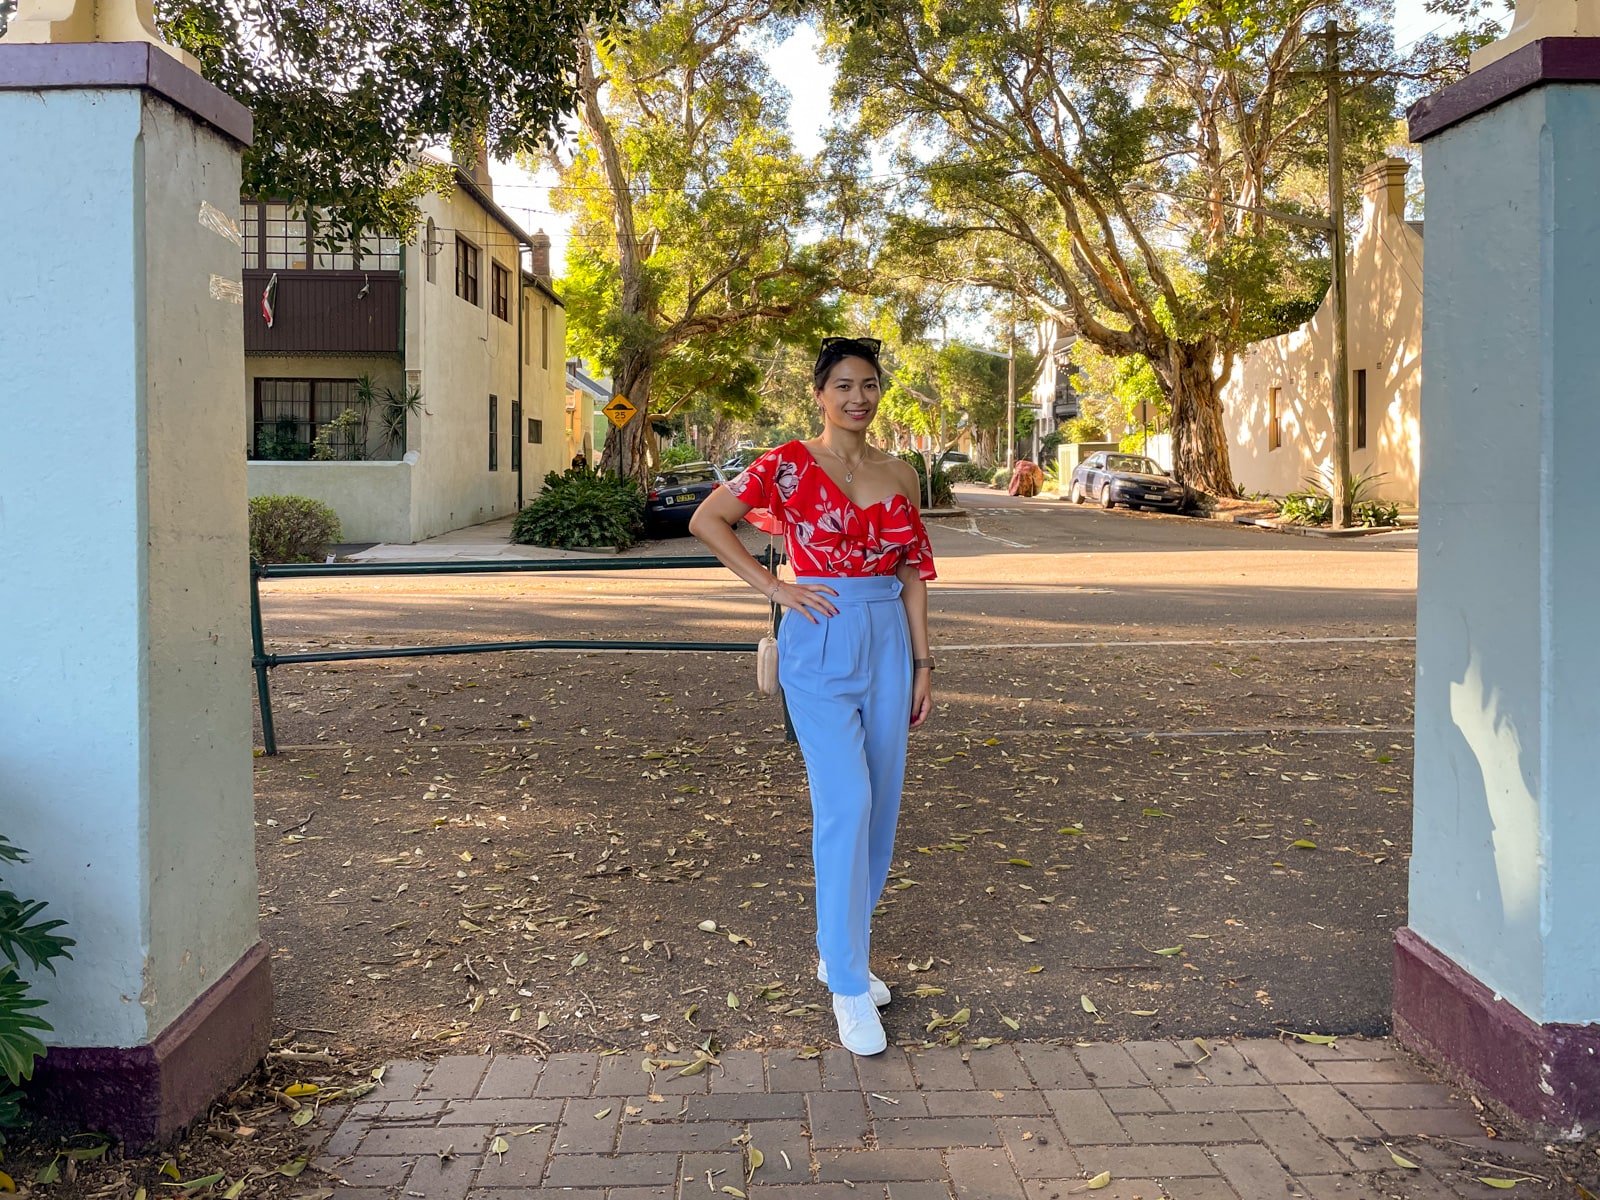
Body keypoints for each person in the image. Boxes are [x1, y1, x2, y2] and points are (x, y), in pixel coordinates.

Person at [689, 336, 936, 1057]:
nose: (857, 398)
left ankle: (840, 952)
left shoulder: (902, 472)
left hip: (889, 637)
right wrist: (773, 587)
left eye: (868, 385)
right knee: (847, 802)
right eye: (843, 386)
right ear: (820, 395)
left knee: (882, 808)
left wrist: (924, 662)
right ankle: (849, 990)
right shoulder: (789, 464)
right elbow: (710, 519)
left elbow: (914, 570)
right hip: (819, 639)